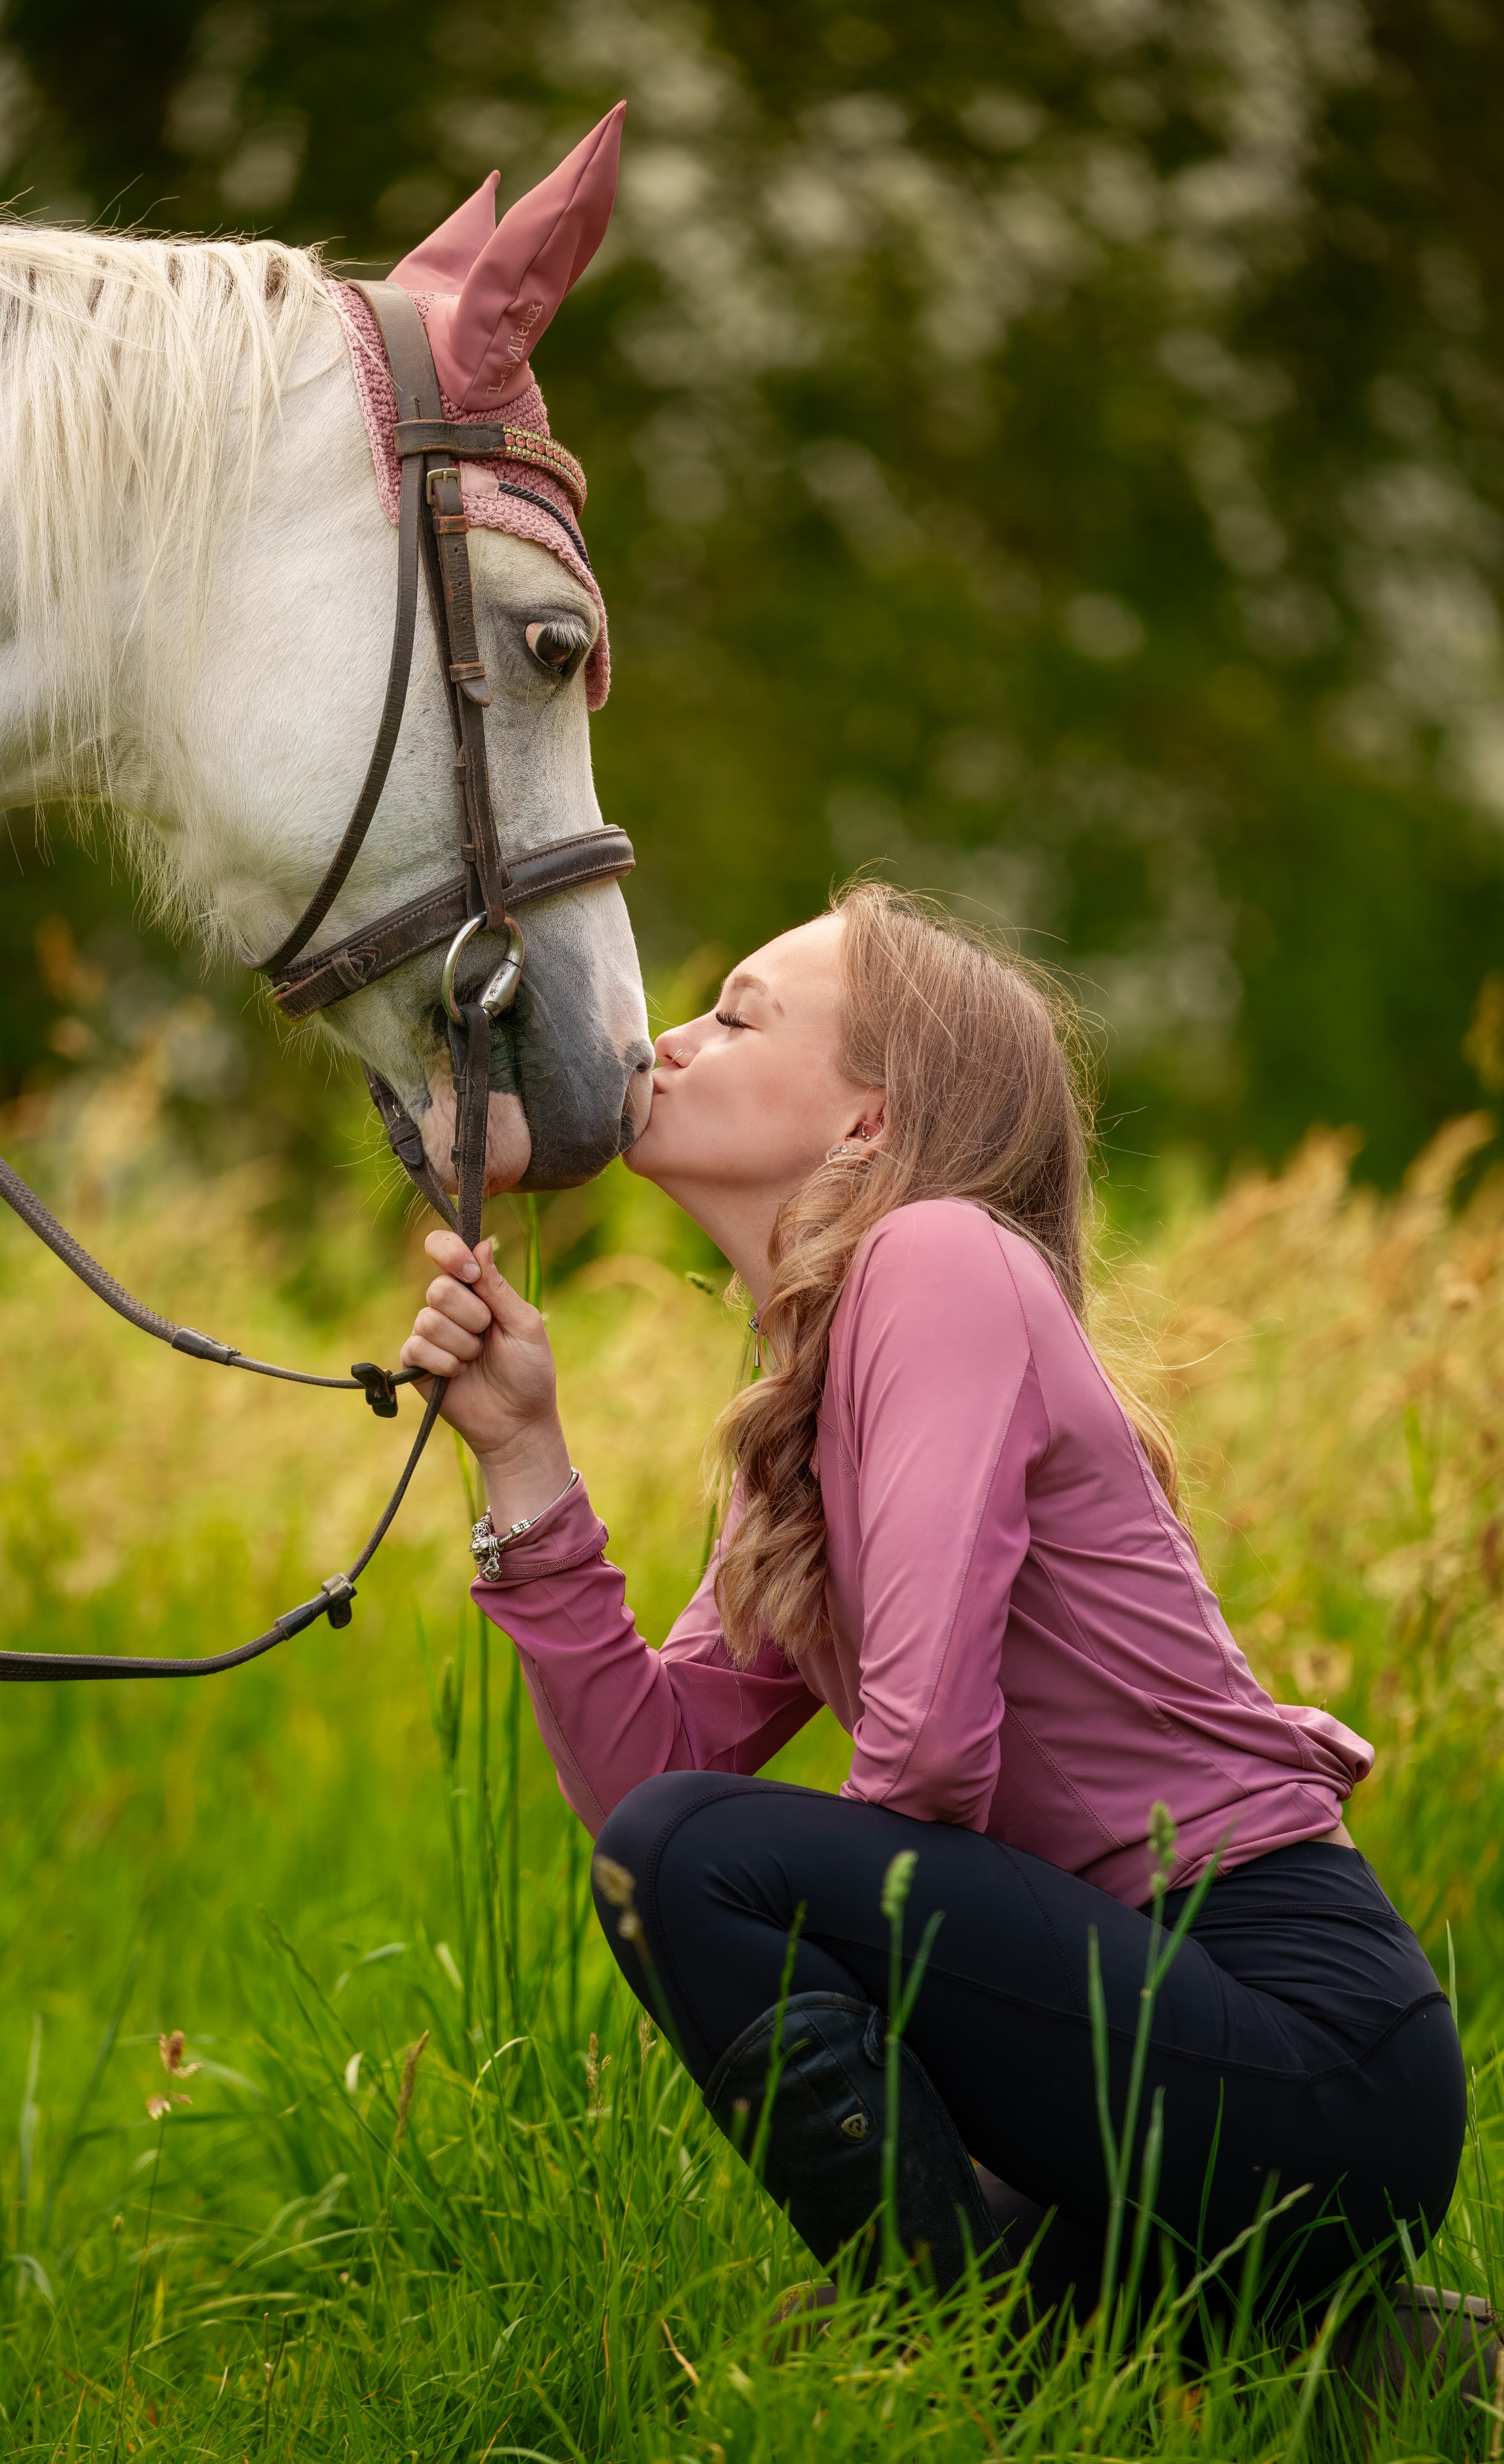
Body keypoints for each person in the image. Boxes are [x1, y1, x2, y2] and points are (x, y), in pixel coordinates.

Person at [397, 882, 1464, 2328]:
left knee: (700, 1868)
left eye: (738, 1013)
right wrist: (520, 1453)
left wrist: (917, 2104)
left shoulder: (938, 1258)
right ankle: (1251, 2338)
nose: (670, 1039)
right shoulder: (813, 1404)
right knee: (683, 1851)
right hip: (1154, 2046)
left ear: (868, 1125)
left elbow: (921, 1761)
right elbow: (652, 1779)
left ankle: (951, 2346)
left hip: (1298, 2044)